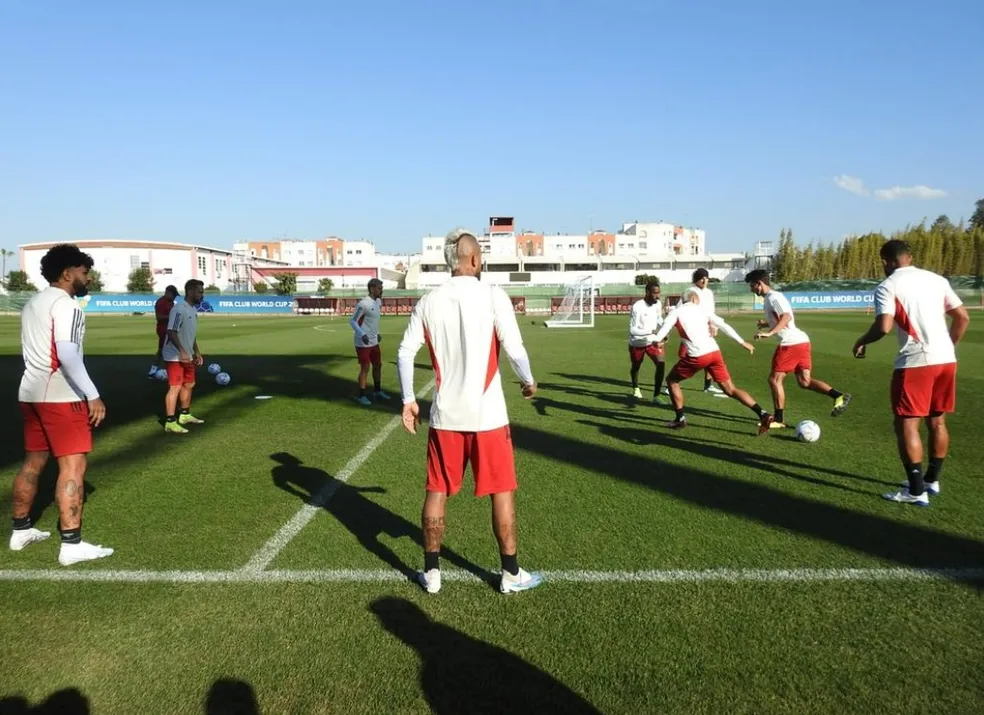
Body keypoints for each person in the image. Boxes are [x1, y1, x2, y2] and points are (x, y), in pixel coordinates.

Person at [396, 228, 542, 595]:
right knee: (502, 492)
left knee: (436, 491)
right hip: (489, 416)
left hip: (446, 416)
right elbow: (515, 347)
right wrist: (528, 381)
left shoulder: (429, 301)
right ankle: (510, 573)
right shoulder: (494, 295)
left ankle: (431, 574)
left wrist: (408, 399)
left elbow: (403, 352)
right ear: (475, 260)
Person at [10, 243, 113, 565]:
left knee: (33, 462)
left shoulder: (32, 303)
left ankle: (21, 529)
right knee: (73, 466)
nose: (88, 278)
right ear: (67, 274)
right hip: (60, 395)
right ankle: (71, 544)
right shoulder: (67, 306)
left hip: (30, 392)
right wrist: (92, 394)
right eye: (84, 272)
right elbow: (67, 354)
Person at [853, 239, 970, 506]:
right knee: (937, 421)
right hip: (946, 360)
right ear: (910, 257)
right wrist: (948, 347)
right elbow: (962, 317)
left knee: (906, 424)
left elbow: (883, 327)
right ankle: (931, 480)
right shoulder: (936, 280)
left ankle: (915, 491)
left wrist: (861, 341)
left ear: (886, 261)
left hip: (916, 362)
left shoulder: (888, 285)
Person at [653, 288, 774, 434]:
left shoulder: (677, 312)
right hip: (714, 352)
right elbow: (724, 325)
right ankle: (763, 414)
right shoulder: (702, 310)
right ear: (693, 299)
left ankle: (680, 419)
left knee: (672, 380)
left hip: (697, 355)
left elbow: (663, 331)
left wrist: (657, 340)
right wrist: (742, 342)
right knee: (731, 389)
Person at [745, 269, 852, 428]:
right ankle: (839, 396)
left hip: (791, 344)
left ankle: (778, 420)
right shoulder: (772, 298)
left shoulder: (774, 297)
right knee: (804, 381)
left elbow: (786, 317)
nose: (751, 289)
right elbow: (782, 319)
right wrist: (766, 324)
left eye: (752, 285)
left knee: (774, 380)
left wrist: (770, 333)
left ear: (759, 284)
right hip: (801, 341)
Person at [161, 279, 206, 434]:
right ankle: (170, 422)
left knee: (190, 384)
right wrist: (182, 350)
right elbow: (171, 331)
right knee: (175, 387)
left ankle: (185, 415)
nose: (202, 294)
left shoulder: (193, 310)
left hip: (188, 355)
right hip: (175, 356)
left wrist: (196, 351)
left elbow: (191, 335)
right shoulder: (179, 309)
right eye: (200, 291)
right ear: (190, 291)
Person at [350, 278, 390, 406]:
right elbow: (352, 321)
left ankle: (377, 391)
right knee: (365, 367)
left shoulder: (378, 301)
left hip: (374, 341)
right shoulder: (363, 304)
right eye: (379, 288)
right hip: (362, 342)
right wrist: (362, 334)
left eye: (381, 288)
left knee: (378, 365)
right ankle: (361, 395)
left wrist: (377, 333)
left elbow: (374, 322)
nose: (381, 290)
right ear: (372, 288)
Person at [627, 278, 667, 402]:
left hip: (652, 342)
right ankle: (636, 388)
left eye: (659, 293)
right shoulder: (637, 306)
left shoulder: (658, 304)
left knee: (661, 364)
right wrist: (651, 331)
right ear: (647, 292)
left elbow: (659, 318)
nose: (658, 296)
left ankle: (656, 395)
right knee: (636, 366)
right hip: (637, 342)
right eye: (655, 293)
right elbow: (633, 330)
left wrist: (666, 326)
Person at [691, 268, 724, 395]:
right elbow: (680, 308)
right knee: (687, 356)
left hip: (706, 328)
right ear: (696, 280)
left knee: (710, 355)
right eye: (701, 278)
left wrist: (714, 325)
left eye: (706, 278)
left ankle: (708, 385)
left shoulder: (709, 293)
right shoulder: (691, 291)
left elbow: (711, 311)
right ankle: (673, 382)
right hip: (693, 329)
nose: (704, 280)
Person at [148, 284, 179, 379]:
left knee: (164, 350)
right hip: (163, 329)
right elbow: (159, 317)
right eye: (173, 295)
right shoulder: (161, 302)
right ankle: (164, 371)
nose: (174, 297)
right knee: (165, 351)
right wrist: (171, 317)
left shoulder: (171, 303)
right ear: (168, 293)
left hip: (169, 329)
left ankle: (153, 371)